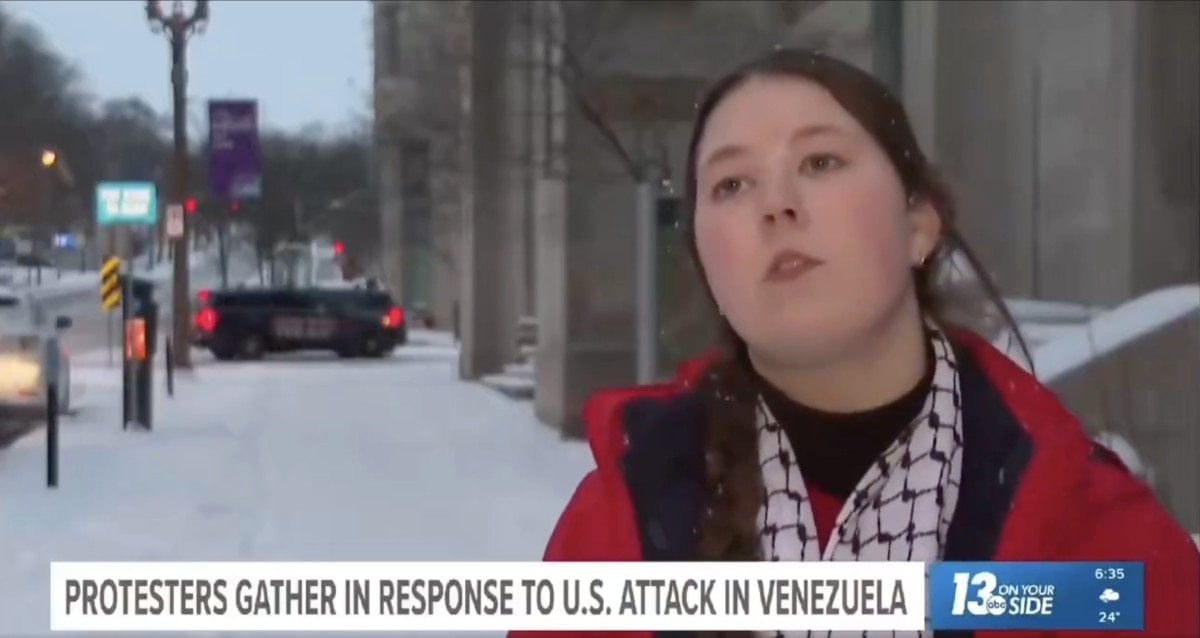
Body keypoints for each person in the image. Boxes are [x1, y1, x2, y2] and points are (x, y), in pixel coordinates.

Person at [517, 49, 1200, 638]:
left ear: (919, 225)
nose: (776, 204)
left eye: (820, 161)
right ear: (706, 262)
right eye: (732, 183)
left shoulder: (1102, 544)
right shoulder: (616, 534)